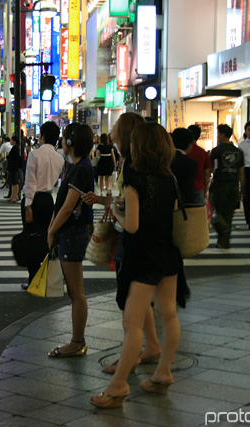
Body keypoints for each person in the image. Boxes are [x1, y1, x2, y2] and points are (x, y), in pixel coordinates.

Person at [90, 122, 180, 409]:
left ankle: (117, 387)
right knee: (169, 314)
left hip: (143, 257)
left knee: (132, 324)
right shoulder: (170, 179)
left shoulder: (134, 180)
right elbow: (174, 215)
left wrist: (116, 210)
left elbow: (132, 225)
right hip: (168, 254)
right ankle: (163, 372)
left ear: (140, 146)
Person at [47, 123, 95, 358]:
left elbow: (68, 207)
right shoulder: (77, 166)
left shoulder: (81, 169)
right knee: (75, 291)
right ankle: (77, 340)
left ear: (72, 143)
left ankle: (77, 342)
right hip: (70, 232)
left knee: (77, 292)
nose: (62, 142)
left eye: (65, 138)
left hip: (73, 233)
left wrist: (51, 231)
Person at [20, 122, 65, 290]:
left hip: (34, 201)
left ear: (43, 136)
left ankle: (34, 279)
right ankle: (44, 277)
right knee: (47, 239)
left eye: (39, 135)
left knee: (31, 239)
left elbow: (30, 181)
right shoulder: (59, 158)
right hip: (48, 200)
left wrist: (28, 206)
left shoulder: (34, 155)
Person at [210, 124, 245, 249]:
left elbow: (210, 169)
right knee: (229, 215)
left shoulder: (216, 151)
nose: (217, 136)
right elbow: (241, 172)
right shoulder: (238, 152)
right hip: (234, 186)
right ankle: (223, 242)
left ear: (223, 135)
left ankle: (223, 232)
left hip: (220, 185)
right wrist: (242, 189)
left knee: (218, 213)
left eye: (218, 134)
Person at [170, 129, 198, 203]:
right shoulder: (190, 163)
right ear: (189, 144)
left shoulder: (165, 158)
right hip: (182, 203)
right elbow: (188, 190)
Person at [186, 124, 212, 205]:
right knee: (198, 214)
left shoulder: (184, 151)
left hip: (185, 187)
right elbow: (207, 174)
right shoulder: (203, 152)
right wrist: (205, 190)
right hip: (199, 188)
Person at [6, 137, 22, 202]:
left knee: (14, 182)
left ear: (14, 141)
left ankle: (15, 196)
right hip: (13, 166)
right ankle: (13, 195)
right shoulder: (15, 148)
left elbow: (11, 156)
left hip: (14, 166)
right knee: (13, 182)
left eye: (11, 140)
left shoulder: (16, 148)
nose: (10, 141)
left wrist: (8, 157)